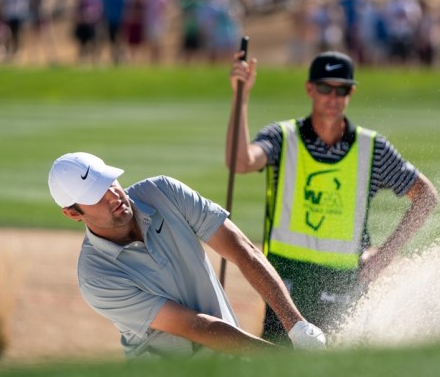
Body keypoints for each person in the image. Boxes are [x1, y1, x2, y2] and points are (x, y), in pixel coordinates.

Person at [226, 51, 439, 340]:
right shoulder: (283, 137)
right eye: (325, 87)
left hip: (343, 280)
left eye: (342, 89)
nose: (333, 96)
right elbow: (240, 162)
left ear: (352, 92)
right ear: (310, 88)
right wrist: (242, 97)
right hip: (284, 278)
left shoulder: (372, 148)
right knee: (279, 360)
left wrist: (384, 256)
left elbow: (426, 196)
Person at [47, 152, 326, 358]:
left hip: (228, 358)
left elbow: (244, 251)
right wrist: (283, 361)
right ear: (73, 213)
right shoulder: (96, 277)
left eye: (111, 181)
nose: (113, 195)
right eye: (96, 194)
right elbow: (195, 326)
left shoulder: (164, 192)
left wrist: (297, 326)